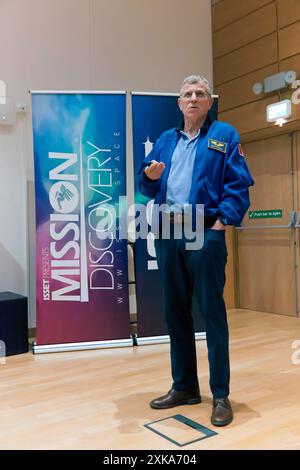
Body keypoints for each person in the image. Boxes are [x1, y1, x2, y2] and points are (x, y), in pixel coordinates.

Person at [138, 74, 254, 427]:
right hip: (169, 231)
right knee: (175, 312)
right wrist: (152, 177)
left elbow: (238, 182)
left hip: (206, 230)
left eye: (200, 93)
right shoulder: (164, 140)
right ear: (179, 103)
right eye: (187, 94)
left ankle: (220, 394)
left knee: (211, 313)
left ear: (209, 101)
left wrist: (222, 225)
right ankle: (185, 386)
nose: (193, 98)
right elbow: (146, 184)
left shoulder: (224, 136)